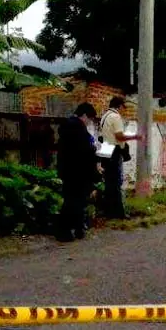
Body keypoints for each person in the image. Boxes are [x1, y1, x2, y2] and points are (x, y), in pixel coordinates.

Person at [57, 103, 101, 241]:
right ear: (84, 115)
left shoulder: (67, 126)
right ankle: (66, 231)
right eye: (90, 118)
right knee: (75, 202)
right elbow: (85, 152)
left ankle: (76, 229)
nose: (89, 122)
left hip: (67, 169)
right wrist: (95, 168)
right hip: (78, 171)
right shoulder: (78, 129)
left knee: (72, 200)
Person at [97, 95, 141, 220]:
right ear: (119, 106)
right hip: (114, 150)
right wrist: (135, 136)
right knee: (116, 182)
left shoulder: (105, 116)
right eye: (123, 107)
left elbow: (104, 136)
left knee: (109, 183)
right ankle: (119, 213)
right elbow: (119, 136)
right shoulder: (116, 117)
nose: (124, 110)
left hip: (106, 149)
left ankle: (108, 212)